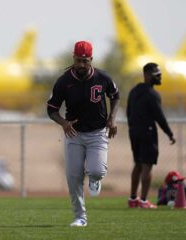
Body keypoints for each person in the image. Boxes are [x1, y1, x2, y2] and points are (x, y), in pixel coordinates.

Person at [47, 41, 120, 227]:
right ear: (73, 58)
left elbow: (116, 96)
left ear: (91, 60)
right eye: (78, 60)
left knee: (96, 170)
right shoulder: (64, 81)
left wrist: (112, 118)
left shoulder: (102, 77)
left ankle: (95, 180)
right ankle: (80, 217)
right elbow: (51, 109)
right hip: (74, 133)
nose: (81, 65)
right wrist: (63, 123)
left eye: (85, 61)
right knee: (73, 177)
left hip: (97, 132)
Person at [127, 62, 176, 209]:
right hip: (147, 132)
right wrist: (169, 133)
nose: (160, 77)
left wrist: (133, 128)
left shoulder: (134, 91)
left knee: (137, 164)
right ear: (147, 75)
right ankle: (143, 201)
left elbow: (128, 112)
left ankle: (133, 199)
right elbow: (159, 117)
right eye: (157, 75)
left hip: (133, 131)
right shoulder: (152, 94)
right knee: (147, 166)